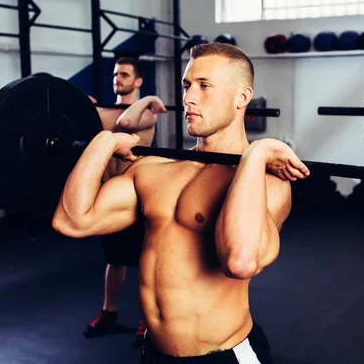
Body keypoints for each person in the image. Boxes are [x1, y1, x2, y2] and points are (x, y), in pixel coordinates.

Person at [52, 42, 310, 362]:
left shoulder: (268, 182)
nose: (188, 98)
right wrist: (104, 142)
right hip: (155, 351)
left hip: (225, 355)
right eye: (187, 85)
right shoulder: (154, 169)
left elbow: (240, 262)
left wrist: (255, 154)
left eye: (204, 86)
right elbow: (72, 220)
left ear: (242, 97)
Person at [83, 57, 168, 348]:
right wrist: (80, 102)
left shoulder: (148, 112)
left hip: (139, 195)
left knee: (146, 260)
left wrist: (151, 99)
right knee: (114, 260)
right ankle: (108, 313)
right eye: (116, 73)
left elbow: (125, 123)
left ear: (139, 81)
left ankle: (148, 321)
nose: (117, 78)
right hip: (109, 194)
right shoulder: (102, 110)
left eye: (124, 74)